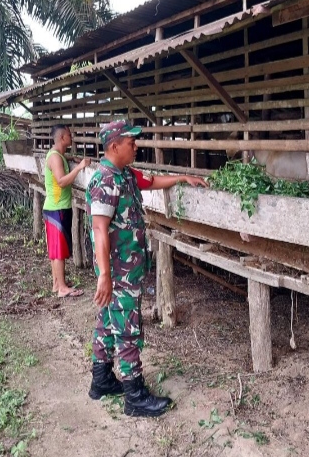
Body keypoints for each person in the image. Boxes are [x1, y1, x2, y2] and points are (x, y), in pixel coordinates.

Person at [85, 119, 208, 417]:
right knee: (127, 327)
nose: (136, 146)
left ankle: (101, 380)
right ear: (115, 146)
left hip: (124, 268)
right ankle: (135, 395)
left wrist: (182, 179)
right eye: (131, 142)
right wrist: (105, 275)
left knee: (108, 319)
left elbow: (151, 182)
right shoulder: (105, 180)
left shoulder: (123, 174)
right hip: (118, 270)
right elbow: (99, 229)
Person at [43, 124, 91, 298]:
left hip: (56, 207)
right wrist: (79, 168)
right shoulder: (55, 157)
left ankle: (57, 283)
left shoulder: (58, 155)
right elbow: (62, 181)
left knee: (57, 248)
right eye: (70, 135)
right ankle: (62, 288)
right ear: (62, 138)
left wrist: (74, 162)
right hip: (57, 208)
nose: (72, 138)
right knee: (59, 250)